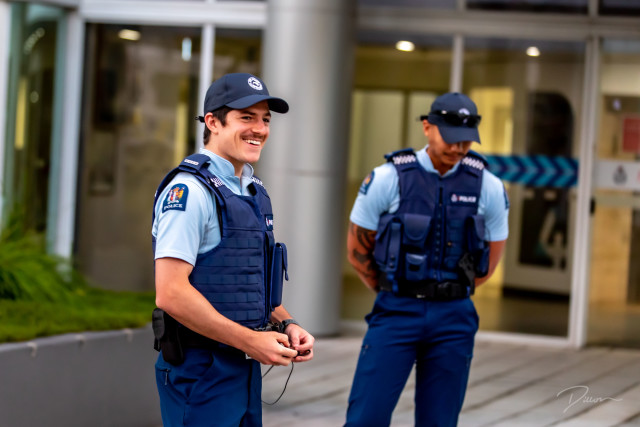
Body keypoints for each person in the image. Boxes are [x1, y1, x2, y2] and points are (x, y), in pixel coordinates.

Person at [151, 72, 314, 427]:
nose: (260, 129)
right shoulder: (190, 192)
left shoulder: (252, 190)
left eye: (265, 120)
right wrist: (251, 341)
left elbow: (247, 280)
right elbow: (170, 292)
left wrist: (286, 323)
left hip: (243, 367)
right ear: (213, 122)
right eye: (247, 117)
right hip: (200, 369)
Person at [344, 92, 509, 427]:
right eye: (450, 137)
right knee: (366, 418)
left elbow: (489, 263)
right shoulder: (388, 177)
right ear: (427, 127)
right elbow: (357, 251)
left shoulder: (488, 186)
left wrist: (446, 292)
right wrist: (394, 289)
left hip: (454, 318)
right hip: (396, 311)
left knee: (439, 421)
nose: (458, 148)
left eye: (466, 141)